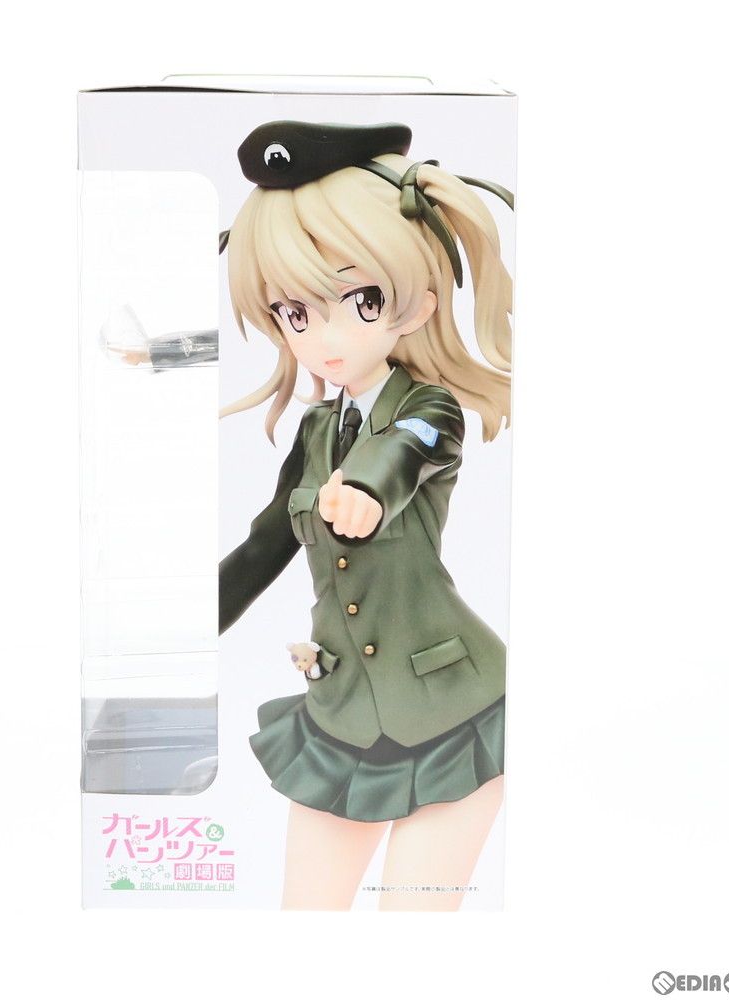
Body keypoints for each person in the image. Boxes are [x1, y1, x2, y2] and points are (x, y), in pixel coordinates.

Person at [219, 121, 513, 910]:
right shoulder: (318, 430)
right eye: (293, 313)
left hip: (455, 711)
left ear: (414, 303)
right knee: (306, 914)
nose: (323, 337)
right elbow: (265, 543)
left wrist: (368, 493)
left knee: (412, 921)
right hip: (342, 717)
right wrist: (184, 623)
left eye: (360, 300)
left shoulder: (431, 409)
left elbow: (407, 452)